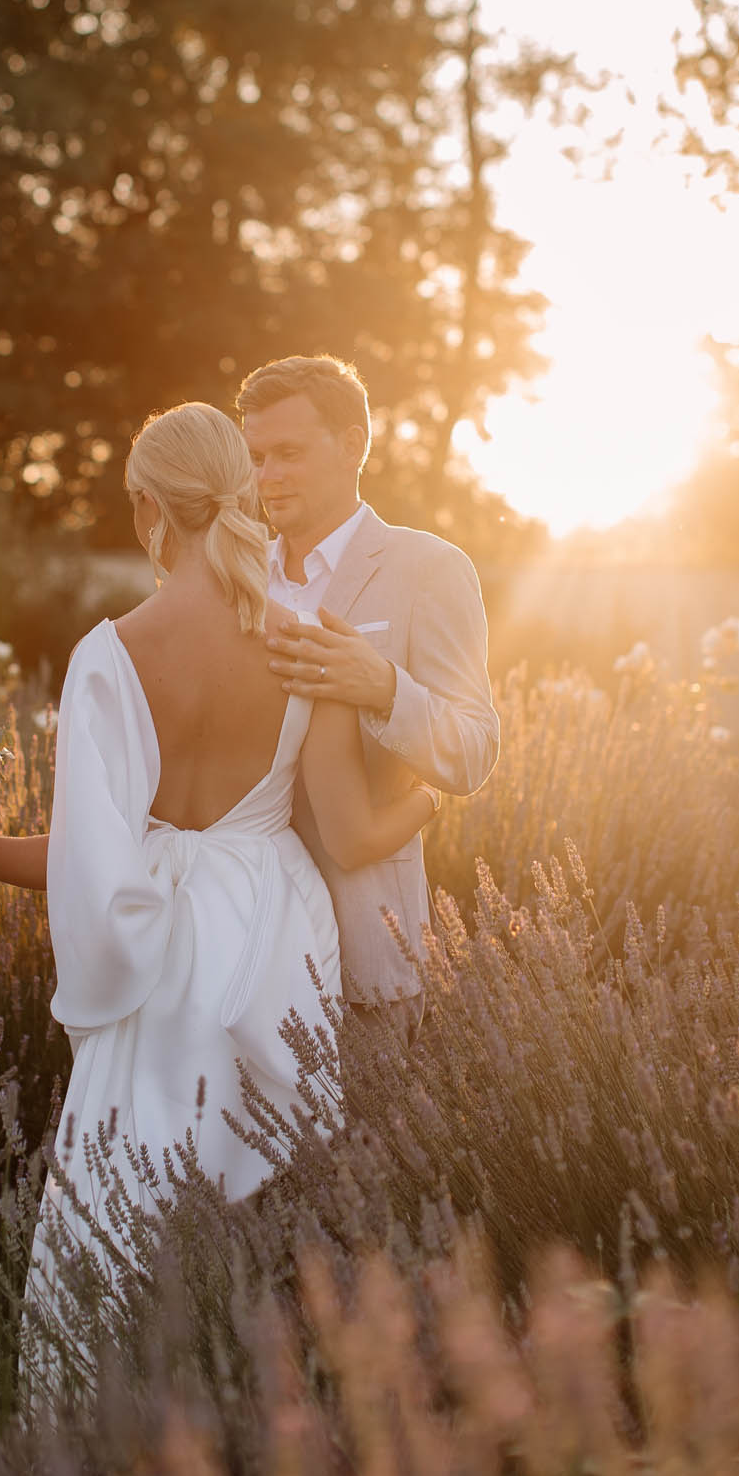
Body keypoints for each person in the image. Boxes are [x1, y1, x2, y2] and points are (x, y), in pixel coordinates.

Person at [0, 401, 438, 1386]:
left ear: (147, 508)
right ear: (244, 493)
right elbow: (347, 832)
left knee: (132, 1178)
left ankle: (106, 1407)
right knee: (275, 1180)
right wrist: (424, 801)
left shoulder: (111, 654)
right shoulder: (310, 640)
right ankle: (278, 1397)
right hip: (275, 935)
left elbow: (93, 860)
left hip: (158, 944)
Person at [238, 354, 500, 1043]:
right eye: (256, 456)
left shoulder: (429, 570)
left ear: (354, 443)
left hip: (367, 954)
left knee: (372, 1152)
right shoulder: (232, 583)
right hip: (241, 955)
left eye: (287, 453)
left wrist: (383, 688)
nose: (266, 477)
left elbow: (472, 751)